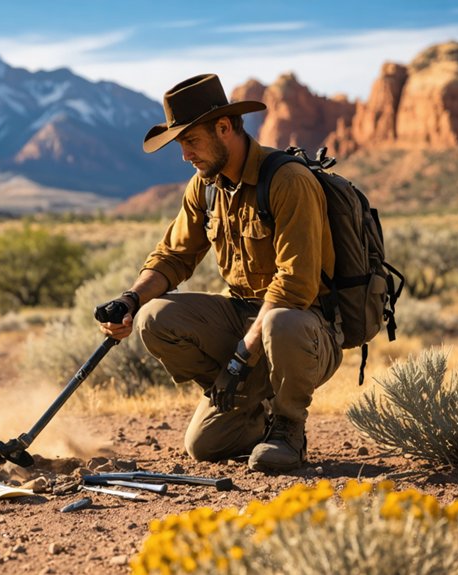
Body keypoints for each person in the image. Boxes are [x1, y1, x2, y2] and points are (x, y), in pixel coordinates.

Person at [96, 73, 343, 472]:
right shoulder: (205, 187)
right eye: (180, 144)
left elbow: (295, 286)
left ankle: (288, 430)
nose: (185, 155)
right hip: (243, 319)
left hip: (305, 329)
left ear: (224, 128)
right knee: (156, 323)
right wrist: (130, 300)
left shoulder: (288, 181)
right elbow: (173, 256)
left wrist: (241, 357)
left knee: (280, 321)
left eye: (191, 141)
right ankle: (250, 410)